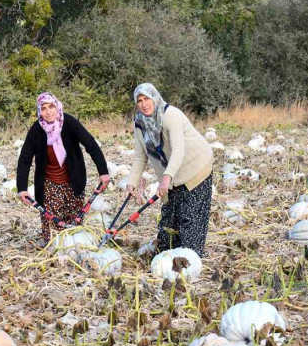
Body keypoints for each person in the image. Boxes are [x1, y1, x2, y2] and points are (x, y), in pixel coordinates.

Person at [125, 83, 213, 256]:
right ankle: (167, 251)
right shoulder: (140, 123)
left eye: (147, 99)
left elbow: (178, 150)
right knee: (169, 218)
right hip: (172, 173)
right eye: (139, 100)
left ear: (155, 98)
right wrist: (131, 183)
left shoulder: (170, 115)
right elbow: (140, 156)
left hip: (195, 166)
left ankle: (189, 256)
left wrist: (166, 178)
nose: (144, 104)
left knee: (190, 217)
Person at [17, 92, 110, 244]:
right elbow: (25, 159)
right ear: (40, 111)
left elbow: (91, 145)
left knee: (74, 228)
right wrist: (21, 187)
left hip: (73, 182)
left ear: (57, 106)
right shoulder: (36, 130)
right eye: (44, 108)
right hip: (49, 185)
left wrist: (103, 172)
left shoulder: (69, 123)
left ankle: (74, 254)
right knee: (53, 232)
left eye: (51, 107)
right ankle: (56, 256)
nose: (48, 112)